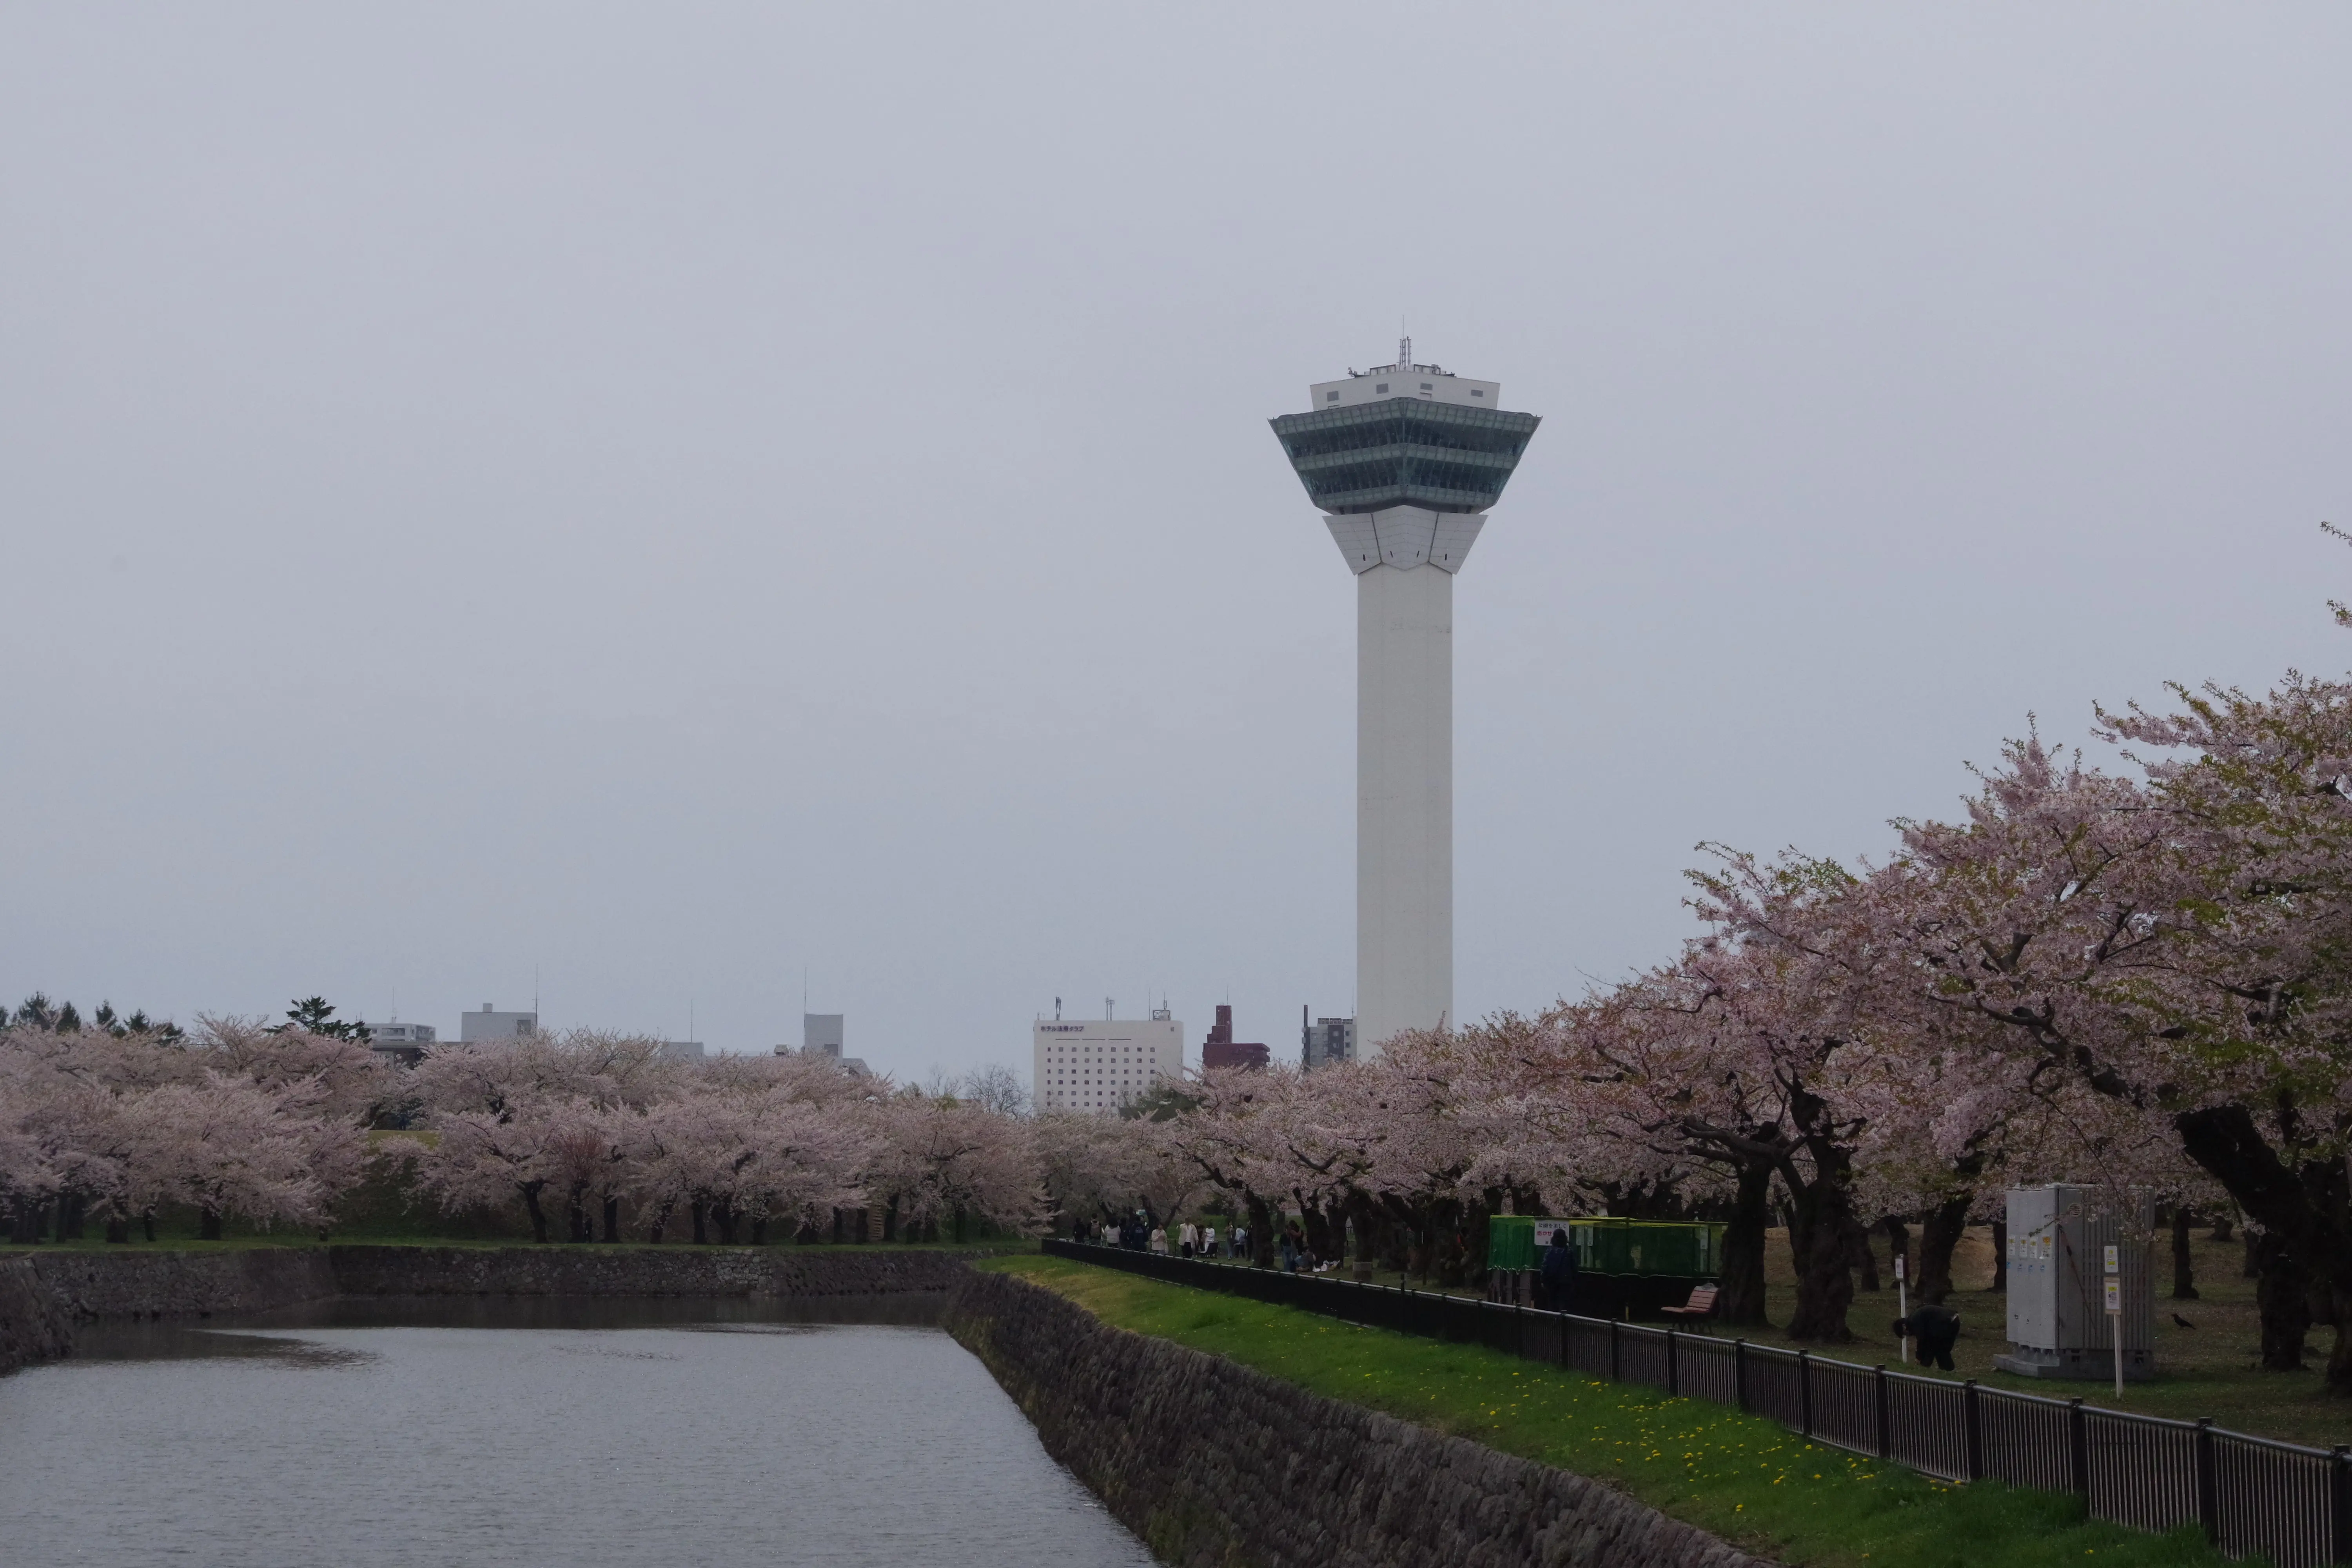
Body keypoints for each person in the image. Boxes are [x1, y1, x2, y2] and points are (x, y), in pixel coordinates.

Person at [1894, 1304, 1962, 1371]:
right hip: (1953, 1320)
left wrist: (1919, 1358)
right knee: (1941, 1349)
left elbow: (1922, 1340)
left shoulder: (1914, 1321)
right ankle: (1947, 1370)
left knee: (1936, 1347)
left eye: (1905, 1334)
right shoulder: (1916, 1317)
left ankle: (1927, 1367)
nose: (1908, 1335)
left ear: (1904, 1326)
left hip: (1946, 1322)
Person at [1539, 1225, 1578, 1312]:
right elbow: (1574, 1268)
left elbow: (1545, 1266)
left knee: (1552, 1305)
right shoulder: (1569, 1252)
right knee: (1564, 1305)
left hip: (1551, 1282)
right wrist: (1574, 1281)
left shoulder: (1550, 1251)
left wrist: (1543, 1280)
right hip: (1566, 1282)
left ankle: (1553, 1323)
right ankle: (1563, 1323)